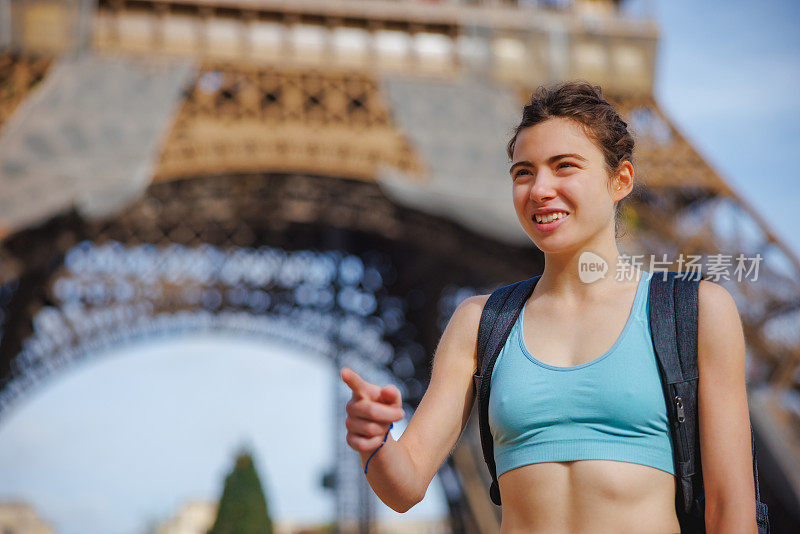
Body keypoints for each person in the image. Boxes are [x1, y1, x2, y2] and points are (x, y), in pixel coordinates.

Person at [340, 81, 758, 533]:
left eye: (564, 167)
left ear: (620, 180)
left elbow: (729, 507)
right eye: (523, 172)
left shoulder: (697, 311)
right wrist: (375, 442)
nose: (540, 188)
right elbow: (404, 486)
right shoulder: (482, 322)